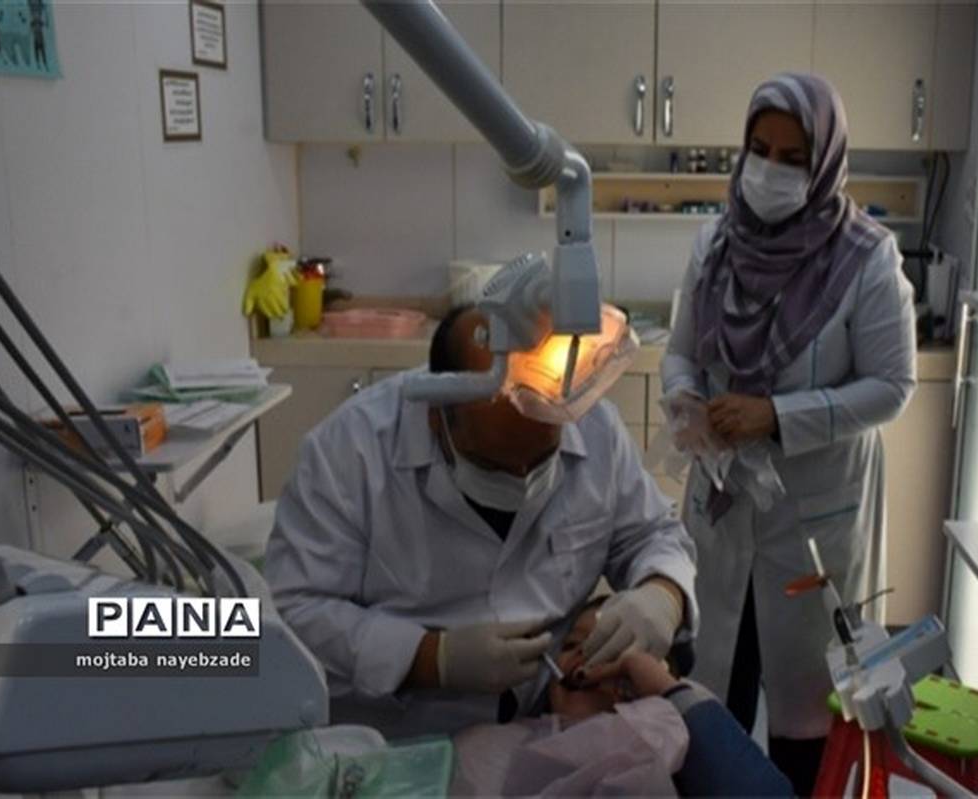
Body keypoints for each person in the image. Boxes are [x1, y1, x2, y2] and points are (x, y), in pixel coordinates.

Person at [265, 306, 698, 740]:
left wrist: (663, 595)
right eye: (494, 466)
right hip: (395, 743)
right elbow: (290, 611)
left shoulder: (594, 427)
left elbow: (652, 534)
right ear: (437, 416)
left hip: (541, 731)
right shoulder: (349, 451)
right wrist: (429, 658)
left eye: (541, 460)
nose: (522, 481)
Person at [661, 72, 916, 795]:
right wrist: (687, 401)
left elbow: (893, 385)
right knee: (712, 688)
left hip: (814, 518)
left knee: (809, 715)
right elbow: (679, 353)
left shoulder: (866, 258)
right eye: (759, 149)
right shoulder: (716, 245)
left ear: (825, 162)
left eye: (793, 157)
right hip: (723, 504)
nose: (769, 170)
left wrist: (775, 414)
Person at [452, 598, 793, 797]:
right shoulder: (489, 748)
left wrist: (668, 691)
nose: (583, 656)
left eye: (608, 649)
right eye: (571, 645)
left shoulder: (675, 746)